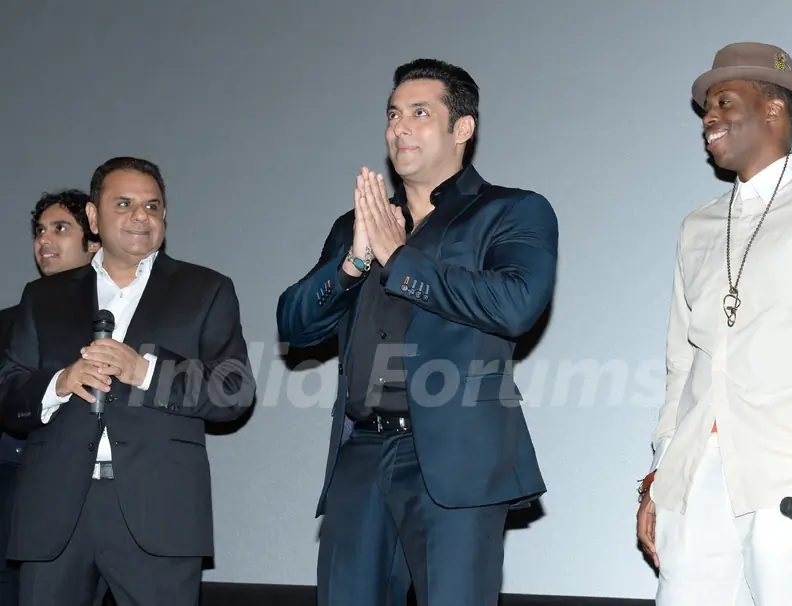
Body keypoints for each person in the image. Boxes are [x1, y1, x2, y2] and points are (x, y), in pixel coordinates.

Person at [277, 58, 558, 606]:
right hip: (359, 452)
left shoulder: (510, 211)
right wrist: (354, 263)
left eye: (419, 113)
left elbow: (516, 305)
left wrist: (398, 258)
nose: (398, 127)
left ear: (463, 128)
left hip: (455, 460)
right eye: (392, 114)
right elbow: (295, 322)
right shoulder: (358, 223)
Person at [0, 156, 255, 606]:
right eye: (124, 204)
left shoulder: (205, 289)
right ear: (94, 217)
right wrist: (60, 382)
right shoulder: (43, 297)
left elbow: (234, 391)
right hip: (54, 511)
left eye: (153, 206)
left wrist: (146, 372)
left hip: (159, 511)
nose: (141, 215)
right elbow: (8, 394)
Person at [636, 42, 792, 605]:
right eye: (707, 105)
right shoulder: (699, 226)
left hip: (786, 468)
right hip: (698, 471)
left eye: (725, 101)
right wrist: (661, 476)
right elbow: (681, 363)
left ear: (774, 109)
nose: (709, 116)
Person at [0, 189, 102, 605]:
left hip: (93, 491)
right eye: (40, 230)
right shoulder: (8, 322)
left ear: (94, 241)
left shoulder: (123, 317)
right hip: (12, 489)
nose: (45, 240)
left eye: (60, 229)